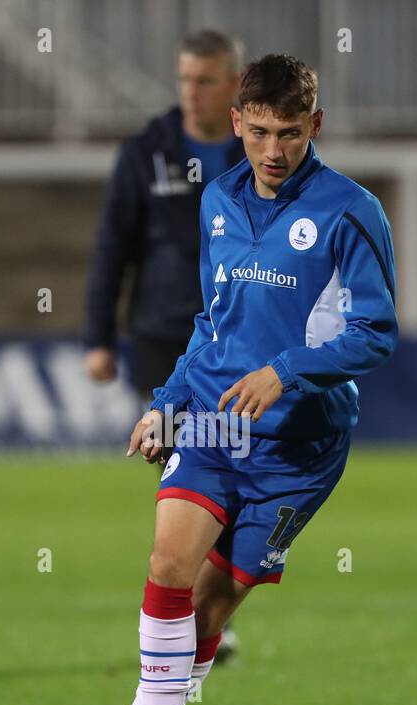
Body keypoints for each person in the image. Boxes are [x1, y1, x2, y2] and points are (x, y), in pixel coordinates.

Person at [49, 53, 398, 705]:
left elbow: (379, 333)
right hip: (209, 423)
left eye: (292, 135)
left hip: (299, 450)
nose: (275, 152)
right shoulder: (216, 202)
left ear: (317, 126)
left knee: (209, 611)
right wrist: (168, 402)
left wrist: (286, 371)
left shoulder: (351, 211)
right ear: (237, 123)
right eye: (261, 132)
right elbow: (211, 325)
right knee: (169, 562)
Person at [82, 29, 247, 665]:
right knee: (190, 462)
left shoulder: (256, 152)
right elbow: (110, 247)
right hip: (160, 337)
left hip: (233, 340)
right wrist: (98, 337)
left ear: (233, 85)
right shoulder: (146, 152)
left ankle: (196, 607)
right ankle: (194, 609)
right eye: (184, 78)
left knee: (226, 464)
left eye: (204, 80)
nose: (191, 92)